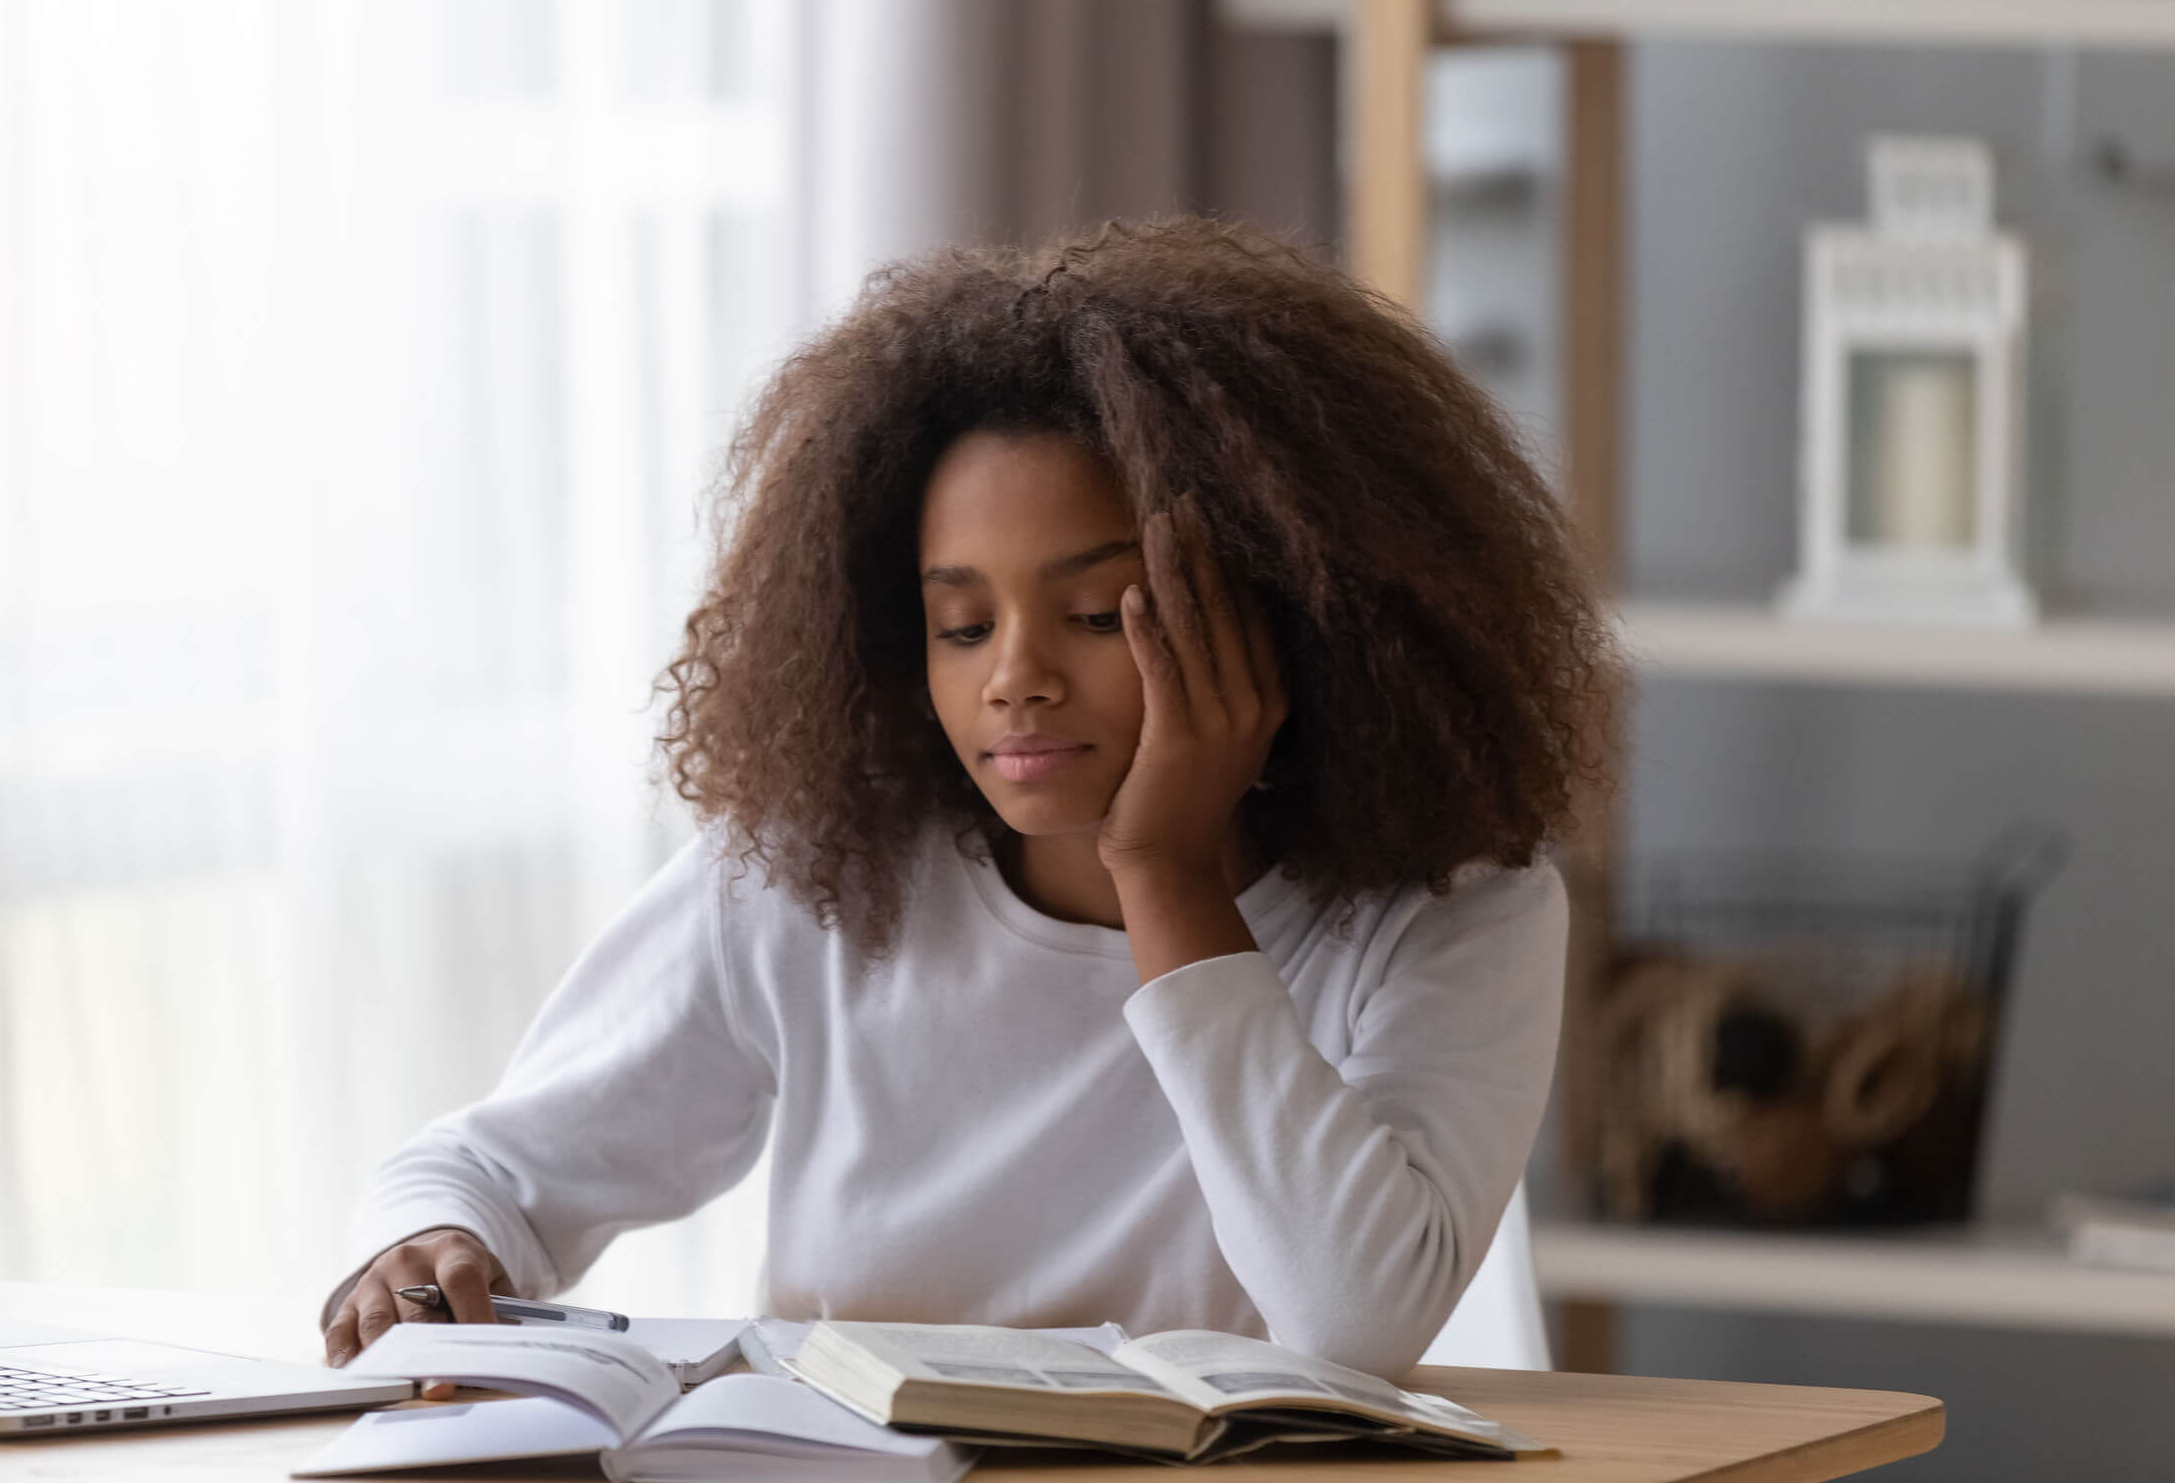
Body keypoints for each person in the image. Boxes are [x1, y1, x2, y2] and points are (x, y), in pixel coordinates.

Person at [319, 215, 1615, 1388]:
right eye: (960, 624)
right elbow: (487, 1172)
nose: (1017, 681)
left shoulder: (1458, 914)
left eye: (1100, 615)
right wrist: (431, 1244)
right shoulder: (812, 876)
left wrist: (1163, 871)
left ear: (1287, 612)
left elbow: (1356, 1321)